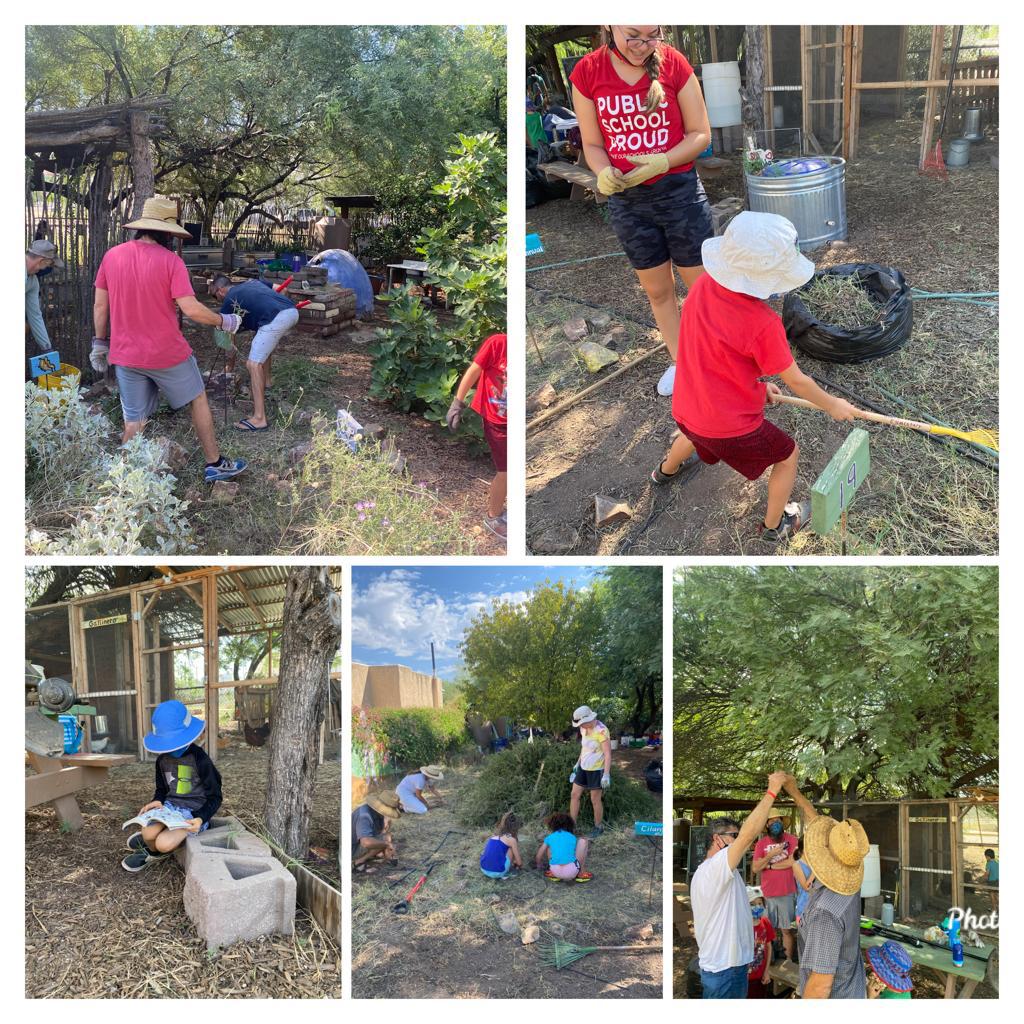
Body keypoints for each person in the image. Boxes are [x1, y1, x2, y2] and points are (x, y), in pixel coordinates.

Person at [652, 211, 860, 543]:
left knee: (692, 430)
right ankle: (775, 526)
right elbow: (798, 381)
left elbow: (718, 357)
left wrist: (756, 388)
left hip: (687, 404)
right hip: (726, 426)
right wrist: (832, 404)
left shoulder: (703, 286)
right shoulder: (763, 324)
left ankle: (664, 472)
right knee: (788, 455)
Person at [571, 25, 713, 398]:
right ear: (609, 26)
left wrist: (664, 161)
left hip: (679, 193)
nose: (643, 46)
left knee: (704, 289)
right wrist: (603, 173)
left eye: (653, 36)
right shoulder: (587, 72)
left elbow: (701, 133)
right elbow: (592, 143)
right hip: (629, 202)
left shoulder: (675, 64)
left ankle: (719, 361)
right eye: (633, 35)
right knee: (658, 292)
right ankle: (682, 364)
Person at [90, 196, 247, 483]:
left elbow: (101, 305)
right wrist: (225, 320)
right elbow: (190, 308)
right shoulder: (171, 261)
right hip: (167, 353)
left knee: (134, 420)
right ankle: (214, 463)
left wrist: (99, 342)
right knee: (197, 397)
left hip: (125, 355)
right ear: (167, 232)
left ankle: (121, 481)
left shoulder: (112, 256)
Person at [690, 771, 790, 998]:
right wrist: (772, 790)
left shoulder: (727, 871)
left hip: (734, 966)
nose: (740, 840)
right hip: (722, 971)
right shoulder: (714, 868)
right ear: (717, 839)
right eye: (733, 835)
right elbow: (748, 835)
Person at [782, 776, 869, 999]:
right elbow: (816, 820)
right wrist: (794, 790)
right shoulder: (850, 881)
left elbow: (820, 987)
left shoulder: (824, 913)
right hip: (853, 987)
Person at [121, 700, 222, 872]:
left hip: (192, 814)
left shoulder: (200, 759)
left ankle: (157, 847)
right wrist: (157, 801)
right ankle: (151, 848)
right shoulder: (162, 759)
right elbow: (162, 789)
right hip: (169, 808)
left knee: (163, 843)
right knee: (148, 834)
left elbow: (215, 796)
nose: (172, 749)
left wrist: (201, 818)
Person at [209, 273, 299, 432]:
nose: (218, 300)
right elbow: (282, 290)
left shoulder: (229, 301)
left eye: (215, 296)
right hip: (291, 310)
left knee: (253, 364)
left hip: (276, 318)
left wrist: (229, 366)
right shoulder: (252, 282)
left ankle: (259, 418)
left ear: (221, 290)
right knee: (263, 343)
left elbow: (227, 340)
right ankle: (267, 381)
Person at [446, 332, 507, 540]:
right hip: (497, 422)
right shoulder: (498, 343)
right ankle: (494, 516)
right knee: (506, 471)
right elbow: (474, 371)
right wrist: (457, 403)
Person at [753, 812, 800, 963]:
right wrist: (771, 854)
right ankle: (769, 961)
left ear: (782, 822)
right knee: (767, 931)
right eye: (771, 820)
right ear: (766, 825)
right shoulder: (762, 843)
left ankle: (787, 962)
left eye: (778, 819)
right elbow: (755, 867)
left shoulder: (792, 840)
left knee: (787, 930)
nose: (775, 822)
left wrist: (770, 866)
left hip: (787, 892)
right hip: (767, 894)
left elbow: (793, 861)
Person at [568, 705, 612, 839]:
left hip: (596, 770)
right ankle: (571, 826)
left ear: (589, 719)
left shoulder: (602, 731)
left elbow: (608, 754)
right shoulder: (583, 728)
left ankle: (598, 827)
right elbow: (584, 748)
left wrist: (606, 774)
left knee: (595, 799)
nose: (581, 726)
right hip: (583, 767)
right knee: (574, 794)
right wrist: (577, 763)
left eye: (583, 723)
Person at [26, 239, 64, 352]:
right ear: (42, 261)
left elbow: (35, 315)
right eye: (50, 264)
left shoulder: (32, 282)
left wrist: (47, 348)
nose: (48, 268)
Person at [352, 791, 402, 872]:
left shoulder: (376, 811)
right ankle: (359, 862)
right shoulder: (364, 816)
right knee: (385, 840)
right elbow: (366, 842)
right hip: (352, 849)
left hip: (358, 843)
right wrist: (387, 844)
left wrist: (385, 827)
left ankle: (379, 853)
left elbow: (379, 832)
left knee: (387, 836)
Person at [535, 811, 591, 882]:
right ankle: (581, 873)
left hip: (555, 871)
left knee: (550, 847)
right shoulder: (572, 837)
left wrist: (538, 864)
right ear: (570, 824)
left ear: (552, 825)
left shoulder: (550, 837)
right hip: (571, 871)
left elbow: (538, 855)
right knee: (583, 841)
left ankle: (551, 872)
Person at [480, 812, 524, 879]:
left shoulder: (493, 837)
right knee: (510, 849)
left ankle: (501, 866)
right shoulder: (511, 840)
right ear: (516, 828)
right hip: (498, 873)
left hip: (483, 869)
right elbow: (519, 863)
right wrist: (519, 865)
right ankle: (507, 871)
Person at [747, 895, 776, 998]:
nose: (757, 907)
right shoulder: (742, 926)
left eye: (760, 903)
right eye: (752, 904)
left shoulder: (765, 922)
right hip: (744, 977)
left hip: (760, 975)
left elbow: (769, 946)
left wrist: (766, 971)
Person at [984, 848, 998, 912]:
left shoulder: (988, 863)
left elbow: (987, 873)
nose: (986, 858)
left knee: (992, 895)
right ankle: (997, 908)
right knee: (996, 895)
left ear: (988, 856)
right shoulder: (997, 863)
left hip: (991, 881)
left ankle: (994, 909)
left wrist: (983, 880)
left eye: (986, 857)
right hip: (998, 881)